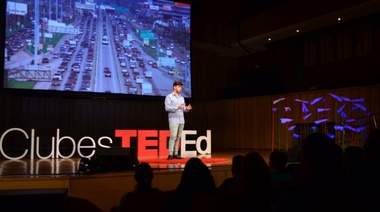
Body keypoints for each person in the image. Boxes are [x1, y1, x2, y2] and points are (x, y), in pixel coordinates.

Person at [164, 81, 192, 160]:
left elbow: (183, 109)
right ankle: (170, 154)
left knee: (178, 137)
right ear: (174, 87)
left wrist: (187, 109)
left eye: (181, 87)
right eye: (179, 87)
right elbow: (167, 108)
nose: (180, 88)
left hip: (181, 120)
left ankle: (176, 153)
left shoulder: (182, 98)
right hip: (173, 119)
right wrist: (177, 107)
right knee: (173, 136)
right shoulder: (169, 97)